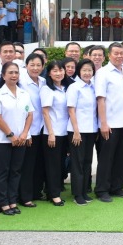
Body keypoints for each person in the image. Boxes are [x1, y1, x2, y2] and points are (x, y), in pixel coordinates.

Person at [0, 62, 33, 216]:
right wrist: (10, 135)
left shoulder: (24, 94)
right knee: (2, 172)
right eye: (10, 73)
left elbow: (30, 114)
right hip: (2, 140)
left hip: (21, 140)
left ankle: (12, 201)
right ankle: (3, 203)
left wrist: (24, 134)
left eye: (16, 73)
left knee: (16, 171)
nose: (14, 75)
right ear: (3, 75)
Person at [94, 43, 123, 202]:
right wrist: (103, 123)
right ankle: (102, 189)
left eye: (121, 53)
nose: (119, 56)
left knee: (121, 157)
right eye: (115, 53)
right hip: (110, 124)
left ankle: (117, 187)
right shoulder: (103, 73)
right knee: (106, 158)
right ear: (109, 55)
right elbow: (100, 100)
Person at [40, 61, 72, 206]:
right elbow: (45, 112)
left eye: (60, 70)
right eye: (54, 71)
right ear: (49, 73)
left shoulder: (65, 88)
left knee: (60, 164)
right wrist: (51, 133)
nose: (58, 73)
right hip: (52, 133)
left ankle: (53, 190)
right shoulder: (47, 89)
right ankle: (53, 194)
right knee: (53, 165)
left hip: (65, 131)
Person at [66, 59, 98, 206]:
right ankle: (77, 194)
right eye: (84, 70)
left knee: (87, 161)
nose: (87, 73)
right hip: (77, 131)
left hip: (91, 130)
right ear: (79, 71)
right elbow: (71, 109)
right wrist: (76, 131)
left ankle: (84, 190)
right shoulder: (74, 87)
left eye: (90, 70)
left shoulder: (93, 86)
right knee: (77, 163)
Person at [18, 53, 46, 208]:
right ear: (26, 66)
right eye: (32, 65)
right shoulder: (21, 83)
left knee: (39, 164)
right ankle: (25, 196)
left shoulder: (44, 81)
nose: (35, 68)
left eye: (38, 65)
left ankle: (36, 192)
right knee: (27, 165)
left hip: (43, 129)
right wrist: (26, 132)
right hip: (28, 130)